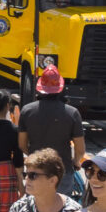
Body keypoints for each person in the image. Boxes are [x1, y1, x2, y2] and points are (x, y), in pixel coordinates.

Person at [18, 66, 86, 200]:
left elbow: (22, 144)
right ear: (60, 87)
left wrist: (35, 156)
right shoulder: (72, 113)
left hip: (35, 171)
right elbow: (80, 149)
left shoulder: (27, 111)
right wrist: (75, 162)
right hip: (63, 171)